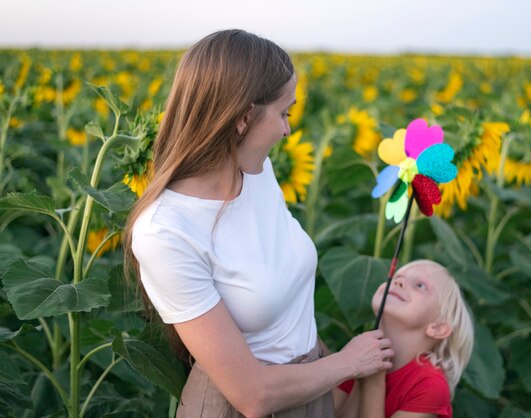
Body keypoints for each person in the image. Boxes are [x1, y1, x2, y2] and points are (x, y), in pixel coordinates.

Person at [123, 29, 394, 418]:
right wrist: (350, 363)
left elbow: (286, 306)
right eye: (284, 113)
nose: (287, 129)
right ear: (244, 118)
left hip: (310, 387)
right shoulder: (165, 231)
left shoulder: (257, 173)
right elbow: (252, 396)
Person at [333, 260, 474, 418]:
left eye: (420, 285)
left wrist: (373, 384)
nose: (399, 282)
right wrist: (356, 371)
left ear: (438, 327)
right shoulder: (359, 352)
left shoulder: (429, 385)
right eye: (397, 277)